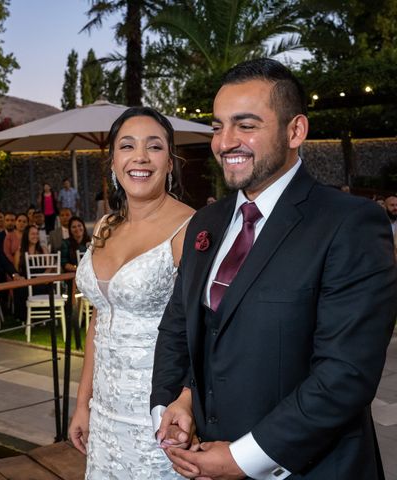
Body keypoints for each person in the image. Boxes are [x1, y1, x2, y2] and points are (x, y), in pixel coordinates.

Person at [151, 58, 397, 480]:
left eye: (246, 125)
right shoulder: (205, 223)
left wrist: (244, 458)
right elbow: (180, 326)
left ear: (295, 131)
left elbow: (345, 374)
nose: (225, 142)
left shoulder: (350, 223)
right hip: (203, 459)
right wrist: (173, 401)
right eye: (217, 126)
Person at [68, 106, 195, 479]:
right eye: (127, 146)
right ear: (113, 161)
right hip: (105, 413)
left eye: (153, 147)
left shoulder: (189, 228)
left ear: (170, 163)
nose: (140, 157)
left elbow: (205, 331)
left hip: (160, 414)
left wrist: (188, 402)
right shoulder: (106, 224)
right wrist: (82, 403)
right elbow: (100, 317)